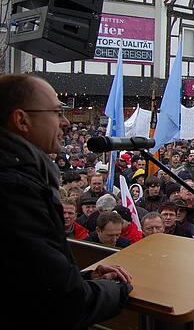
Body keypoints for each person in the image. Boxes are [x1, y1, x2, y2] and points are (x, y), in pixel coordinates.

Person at [0, 75, 132, 328]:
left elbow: (28, 280)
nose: (65, 122)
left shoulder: (24, 178)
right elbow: (57, 302)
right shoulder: (15, 190)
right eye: (56, 112)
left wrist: (86, 280)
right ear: (21, 120)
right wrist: (118, 290)